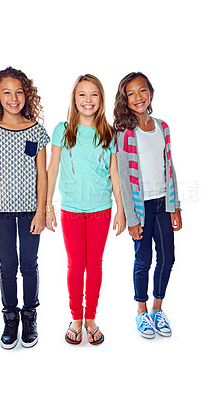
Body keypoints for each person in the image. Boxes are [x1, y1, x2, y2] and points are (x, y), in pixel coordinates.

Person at [46, 74, 126, 345]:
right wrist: (47, 206)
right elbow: (52, 169)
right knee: (75, 264)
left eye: (94, 94)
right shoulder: (62, 130)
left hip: (101, 209)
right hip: (70, 209)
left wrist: (121, 209)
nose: (88, 100)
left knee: (94, 265)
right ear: (74, 98)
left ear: (101, 100)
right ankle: (75, 317)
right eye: (82, 94)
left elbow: (115, 173)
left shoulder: (109, 133)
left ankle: (90, 316)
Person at [0, 67, 50, 349]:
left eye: (19, 91)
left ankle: (30, 316)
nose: (13, 97)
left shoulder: (36, 131)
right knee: (8, 267)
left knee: (29, 266)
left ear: (26, 95)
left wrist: (41, 212)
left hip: (31, 211)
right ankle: (10, 317)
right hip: (1, 213)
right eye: (6, 92)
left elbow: (42, 175)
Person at [114, 72, 182, 339]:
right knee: (144, 260)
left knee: (167, 258)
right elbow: (122, 176)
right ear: (125, 99)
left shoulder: (162, 127)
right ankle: (141, 311)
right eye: (131, 94)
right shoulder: (123, 131)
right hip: (141, 208)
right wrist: (131, 217)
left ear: (150, 93)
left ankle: (157, 309)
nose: (138, 97)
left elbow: (169, 166)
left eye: (142, 91)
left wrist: (175, 205)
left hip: (163, 203)